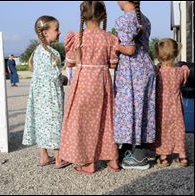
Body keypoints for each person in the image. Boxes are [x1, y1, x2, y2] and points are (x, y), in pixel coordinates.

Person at [59, 1, 119, 174]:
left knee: (83, 122)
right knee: (106, 120)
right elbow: (113, 64)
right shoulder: (109, 38)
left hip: (83, 82)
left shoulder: (77, 37)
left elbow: (70, 62)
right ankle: (113, 159)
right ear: (102, 16)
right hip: (102, 82)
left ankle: (89, 162)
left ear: (83, 17)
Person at [22, 16, 71, 169]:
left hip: (38, 96)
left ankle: (44, 156)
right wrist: (64, 79)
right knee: (55, 122)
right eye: (56, 30)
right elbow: (55, 77)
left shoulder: (36, 52)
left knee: (41, 122)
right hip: (51, 96)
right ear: (45, 33)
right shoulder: (53, 53)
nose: (59, 32)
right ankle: (58, 158)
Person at [113, 1, 156, 170]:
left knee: (129, 110)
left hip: (132, 70)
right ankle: (137, 150)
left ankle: (138, 157)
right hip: (145, 66)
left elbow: (129, 50)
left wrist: (115, 45)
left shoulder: (124, 20)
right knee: (144, 110)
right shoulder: (144, 19)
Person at [154, 38, 190, 167]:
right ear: (175, 54)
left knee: (163, 130)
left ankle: (164, 156)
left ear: (158, 55)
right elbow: (185, 79)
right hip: (176, 106)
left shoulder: (157, 72)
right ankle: (182, 156)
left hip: (161, 106)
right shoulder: (181, 71)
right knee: (179, 129)